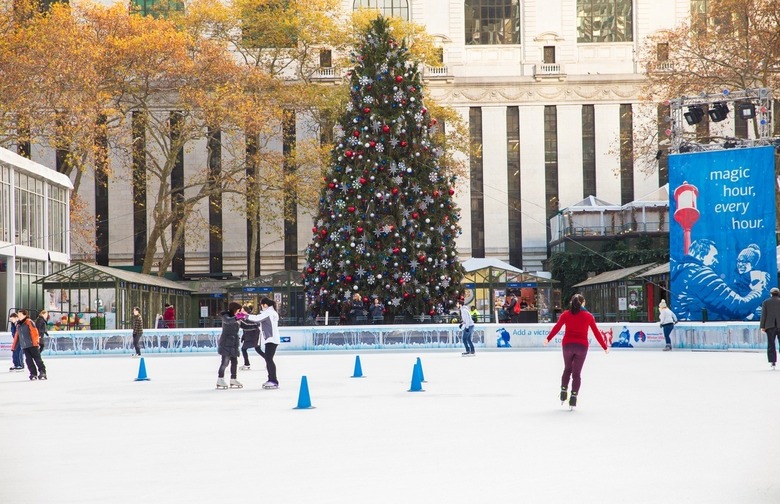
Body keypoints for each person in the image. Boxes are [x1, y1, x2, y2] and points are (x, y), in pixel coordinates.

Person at [671, 239, 765, 321]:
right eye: (714, 257)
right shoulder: (700, 274)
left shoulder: (682, 270)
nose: (716, 261)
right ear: (702, 256)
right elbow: (738, 307)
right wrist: (759, 289)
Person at [543, 294, 608, 408]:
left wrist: (548, 338)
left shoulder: (565, 315)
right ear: (582, 303)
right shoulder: (588, 316)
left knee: (567, 369)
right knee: (576, 374)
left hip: (567, 345)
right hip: (582, 347)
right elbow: (596, 332)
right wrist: (604, 347)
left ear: (571, 303)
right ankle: (573, 397)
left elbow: (557, 327)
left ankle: (563, 391)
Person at [246, 297, 281, 389]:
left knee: (269, 359)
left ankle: (274, 380)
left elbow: (257, 318)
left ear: (265, 305)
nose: (261, 307)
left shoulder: (269, 313)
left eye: (261, 305)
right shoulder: (272, 313)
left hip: (271, 339)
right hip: (271, 339)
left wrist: (245, 315)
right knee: (268, 359)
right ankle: (271, 379)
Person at [12, 309, 47, 380]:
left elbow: (35, 333)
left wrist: (35, 342)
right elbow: (17, 336)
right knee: (29, 361)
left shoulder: (29, 322)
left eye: (20, 315)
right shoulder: (18, 324)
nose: (19, 316)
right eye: (18, 314)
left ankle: (42, 372)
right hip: (25, 346)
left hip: (33, 344)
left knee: (37, 359)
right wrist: (14, 347)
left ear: (25, 315)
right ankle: (33, 373)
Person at [216, 302, 243, 389]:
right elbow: (228, 321)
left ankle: (233, 379)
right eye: (238, 310)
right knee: (225, 362)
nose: (239, 312)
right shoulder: (225, 316)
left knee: (235, 362)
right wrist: (238, 317)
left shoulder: (237, 318)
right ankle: (220, 379)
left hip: (234, 343)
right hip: (226, 343)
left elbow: (245, 325)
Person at [759, 287, 780, 370]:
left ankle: (773, 362)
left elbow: (763, 315)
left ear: (771, 294)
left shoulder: (766, 302)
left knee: (771, 344)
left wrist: (762, 326)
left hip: (770, 326)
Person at [238, 305, 262, 370]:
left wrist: (240, 321)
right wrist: (243, 336)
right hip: (248, 336)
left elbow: (251, 325)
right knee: (245, 349)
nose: (241, 312)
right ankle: (247, 364)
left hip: (254, 335)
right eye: (241, 311)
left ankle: (247, 364)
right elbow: (245, 327)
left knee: (256, 349)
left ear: (246, 311)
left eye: (243, 311)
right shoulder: (243, 318)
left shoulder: (251, 317)